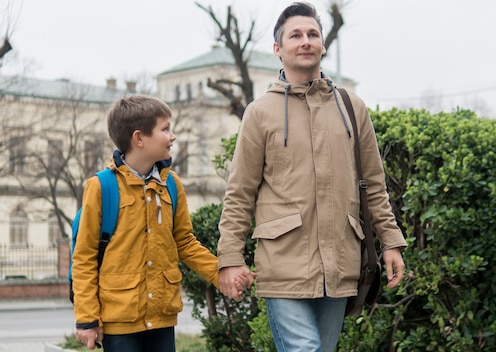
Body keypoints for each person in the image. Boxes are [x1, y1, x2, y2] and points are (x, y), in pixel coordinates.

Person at [217, 2, 408, 351]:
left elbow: (374, 184)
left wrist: (391, 241)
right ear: (278, 49)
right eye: (295, 35)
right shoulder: (259, 113)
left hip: (340, 265)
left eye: (312, 34)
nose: (305, 41)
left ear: (322, 45)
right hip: (282, 265)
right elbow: (240, 193)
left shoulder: (352, 107)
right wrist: (230, 258)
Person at [72, 95, 251, 351]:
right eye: (165, 129)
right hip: (119, 320)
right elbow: (85, 257)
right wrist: (87, 319)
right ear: (139, 138)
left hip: (162, 315)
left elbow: (185, 242)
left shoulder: (171, 184)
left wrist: (220, 272)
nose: (173, 136)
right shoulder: (101, 187)